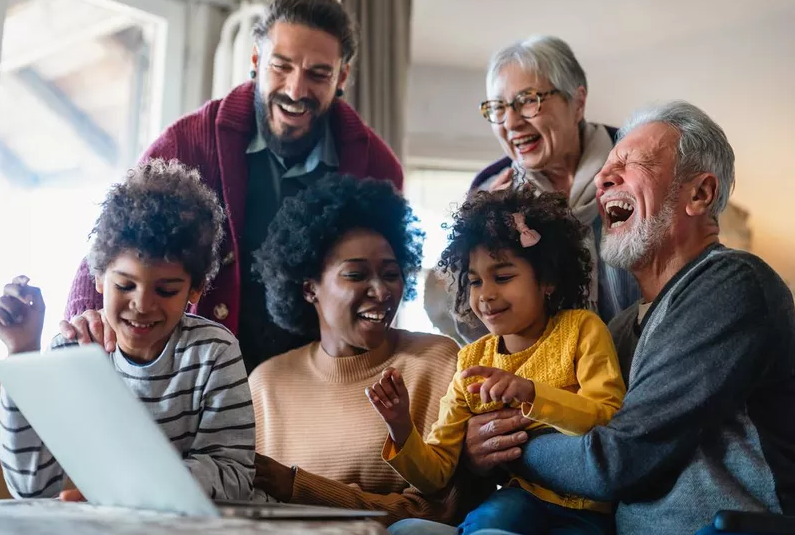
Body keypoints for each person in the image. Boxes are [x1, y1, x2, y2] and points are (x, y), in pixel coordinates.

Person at [467, 101, 795, 534]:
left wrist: (505, 442)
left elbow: (615, 462)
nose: (603, 179)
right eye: (605, 169)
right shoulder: (618, 328)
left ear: (700, 194)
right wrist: (474, 446)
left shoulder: (732, 283)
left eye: (632, 163)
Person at [61, 0, 403, 374]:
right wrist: (86, 318)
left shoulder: (378, 169)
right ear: (257, 60)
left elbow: (382, 286)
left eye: (318, 74)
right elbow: (120, 234)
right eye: (281, 66)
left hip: (315, 380)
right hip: (194, 373)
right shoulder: (189, 141)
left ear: (342, 78)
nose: (295, 89)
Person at [0, 160, 255, 501]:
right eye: (125, 285)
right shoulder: (70, 354)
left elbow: (234, 475)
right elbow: (31, 488)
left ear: (195, 290)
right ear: (99, 277)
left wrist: (128, 491)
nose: (142, 305)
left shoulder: (213, 352)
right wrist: (23, 352)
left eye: (166, 290)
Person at [376, 188, 625, 534]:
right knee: (407, 529)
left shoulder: (582, 329)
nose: (486, 295)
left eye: (503, 277)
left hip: (587, 511)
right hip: (517, 501)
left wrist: (531, 394)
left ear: (548, 280)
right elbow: (435, 475)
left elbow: (607, 417)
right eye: (475, 281)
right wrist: (400, 426)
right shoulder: (471, 361)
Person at [248, 174, 489, 526]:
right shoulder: (267, 383)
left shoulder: (436, 363)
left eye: (391, 274)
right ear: (309, 289)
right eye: (356, 275)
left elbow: (434, 513)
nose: (380, 291)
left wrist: (298, 486)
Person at [468, 36, 639, 328]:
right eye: (498, 108)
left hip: (642, 355)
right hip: (539, 368)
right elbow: (471, 309)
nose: (510, 123)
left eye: (527, 101)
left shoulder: (638, 166)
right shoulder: (490, 191)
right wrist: (485, 232)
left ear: (578, 103)